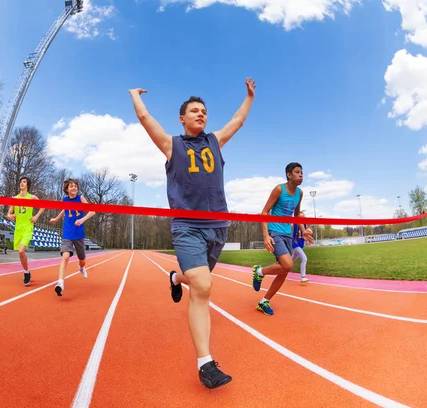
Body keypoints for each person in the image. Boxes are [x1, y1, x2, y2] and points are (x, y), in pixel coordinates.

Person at [129, 77, 256, 389]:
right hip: (187, 227)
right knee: (203, 285)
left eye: (204, 111)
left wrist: (249, 96)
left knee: (198, 282)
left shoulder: (215, 140)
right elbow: (146, 119)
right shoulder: (173, 144)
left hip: (218, 228)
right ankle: (205, 363)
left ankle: (175, 278)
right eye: (195, 111)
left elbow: (237, 121)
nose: (201, 114)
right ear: (182, 118)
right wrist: (135, 95)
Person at [251, 162, 313, 315]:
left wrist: (304, 231)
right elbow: (264, 212)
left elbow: (296, 216)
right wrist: (266, 235)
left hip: (287, 233)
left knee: (284, 271)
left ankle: (264, 301)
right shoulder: (279, 189)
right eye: (297, 172)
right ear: (289, 174)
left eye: (302, 172)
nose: (301, 175)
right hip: (275, 232)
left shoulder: (300, 193)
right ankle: (259, 271)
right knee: (288, 264)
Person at [49, 178, 95, 297]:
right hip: (67, 234)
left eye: (75, 186)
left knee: (82, 259)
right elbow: (64, 210)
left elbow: (93, 211)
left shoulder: (81, 198)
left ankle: (81, 267)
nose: (74, 188)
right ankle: (60, 283)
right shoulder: (65, 200)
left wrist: (82, 219)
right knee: (65, 257)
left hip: (79, 234)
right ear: (67, 189)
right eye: (71, 186)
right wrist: (56, 218)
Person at [6, 176, 45, 286]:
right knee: (20, 253)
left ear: (27, 185)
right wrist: (10, 216)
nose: (21, 183)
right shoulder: (15, 198)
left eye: (24, 182)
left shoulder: (32, 197)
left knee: (21, 251)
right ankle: (27, 271)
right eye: (21, 182)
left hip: (28, 227)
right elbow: (9, 213)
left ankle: (26, 273)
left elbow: (43, 206)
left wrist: (36, 217)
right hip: (18, 229)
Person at [292, 211, 310, 283]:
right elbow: (292, 224)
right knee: (304, 258)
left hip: (300, 245)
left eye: (303, 217)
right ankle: (303, 277)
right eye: (300, 217)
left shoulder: (305, 225)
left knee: (290, 261)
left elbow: (309, 231)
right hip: (295, 244)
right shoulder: (295, 223)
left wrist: (308, 236)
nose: (301, 218)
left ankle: (282, 270)